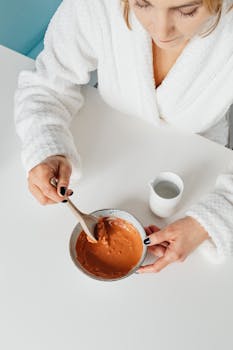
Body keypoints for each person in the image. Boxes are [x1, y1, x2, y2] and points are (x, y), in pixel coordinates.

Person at [14, 0, 233, 273]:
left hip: (201, 170)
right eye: (142, 3)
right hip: (108, 149)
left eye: (187, 10)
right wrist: (46, 145)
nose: (161, 30)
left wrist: (212, 219)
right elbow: (47, 85)